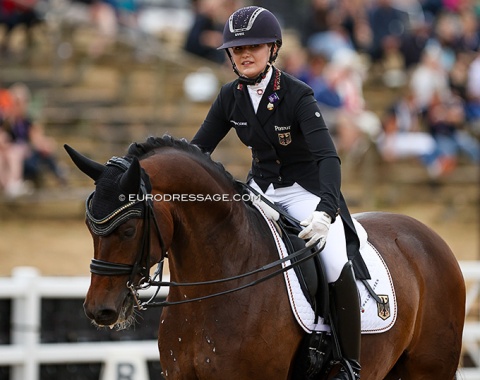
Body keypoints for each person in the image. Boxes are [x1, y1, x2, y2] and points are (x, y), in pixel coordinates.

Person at [190, 6, 367, 379]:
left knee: (334, 261)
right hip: (260, 191)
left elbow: (329, 158)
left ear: (273, 49)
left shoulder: (298, 94)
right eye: (237, 50)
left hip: (306, 190)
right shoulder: (230, 97)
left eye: (254, 46)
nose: (245, 54)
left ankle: (349, 363)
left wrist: (326, 210)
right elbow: (196, 152)